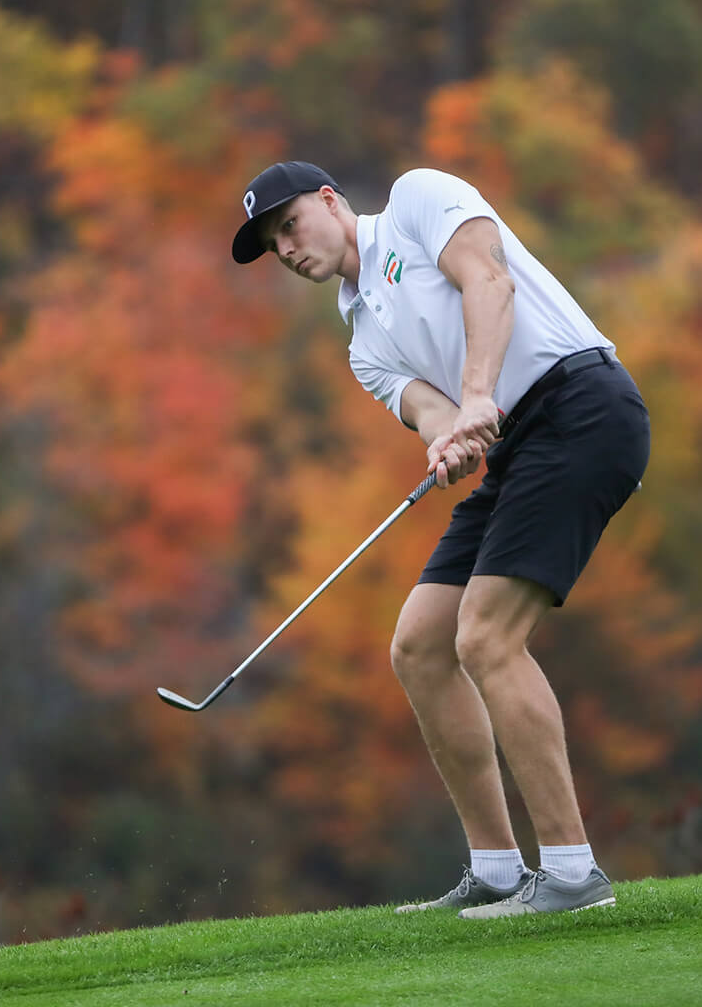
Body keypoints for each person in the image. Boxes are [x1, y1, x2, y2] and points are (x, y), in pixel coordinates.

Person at [232, 160, 650, 918]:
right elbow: (429, 409)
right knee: (421, 646)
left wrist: (480, 395)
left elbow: (489, 281)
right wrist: (446, 438)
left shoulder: (417, 202)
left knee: (485, 639)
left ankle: (572, 874)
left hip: (584, 407)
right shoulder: (361, 340)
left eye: (290, 225)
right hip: (520, 445)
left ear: (330, 201)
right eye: (272, 245)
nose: (287, 248)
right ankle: (495, 870)